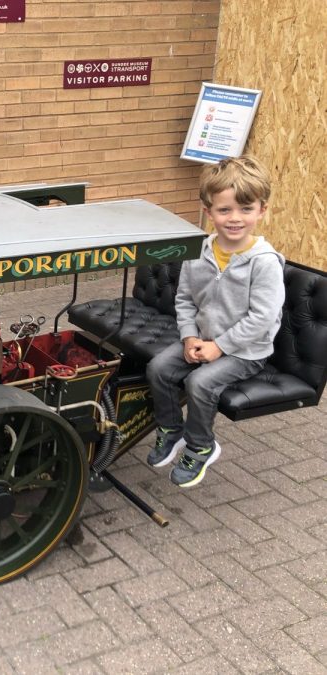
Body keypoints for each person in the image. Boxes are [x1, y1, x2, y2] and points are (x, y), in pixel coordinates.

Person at [146, 155, 284, 487]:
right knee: (158, 368)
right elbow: (184, 299)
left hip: (246, 352)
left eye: (246, 209)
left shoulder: (264, 262)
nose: (235, 218)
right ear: (209, 212)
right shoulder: (199, 252)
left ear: (262, 210)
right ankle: (171, 429)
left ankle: (201, 446)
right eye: (224, 210)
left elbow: (263, 318)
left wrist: (220, 347)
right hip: (202, 340)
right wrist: (189, 337)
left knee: (200, 383)